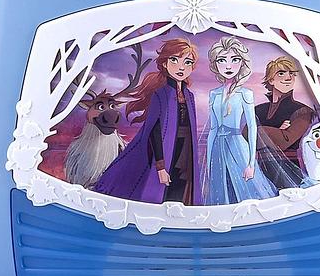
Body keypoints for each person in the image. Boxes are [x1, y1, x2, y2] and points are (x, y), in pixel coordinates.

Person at [94, 38, 202, 205]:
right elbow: (154, 131)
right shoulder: (161, 94)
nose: (181, 67)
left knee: (182, 197)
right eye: (174, 60)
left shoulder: (190, 96)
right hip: (166, 154)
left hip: (185, 156)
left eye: (187, 62)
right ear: (165, 63)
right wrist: (160, 166)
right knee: (161, 197)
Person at [205, 36, 276, 204]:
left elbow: (252, 127)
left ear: (242, 62)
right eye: (222, 60)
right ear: (215, 64)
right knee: (221, 190)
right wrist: (208, 164)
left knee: (246, 190)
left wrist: (251, 163)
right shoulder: (213, 94)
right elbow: (213, 129)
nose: (228, 66)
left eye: (235, 59)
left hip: (237, 145)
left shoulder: (245, 94)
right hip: (217, 148)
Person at [253, 56, 314, 189]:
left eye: (291, 74)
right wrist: (278, 131)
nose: (288, 78)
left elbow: (284, 141)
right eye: (281, 73)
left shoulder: (302, 110)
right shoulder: (258, 110)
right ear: (271, 79)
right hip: (257, 173)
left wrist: (260, 130)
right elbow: (244, 137)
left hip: (288, 172)